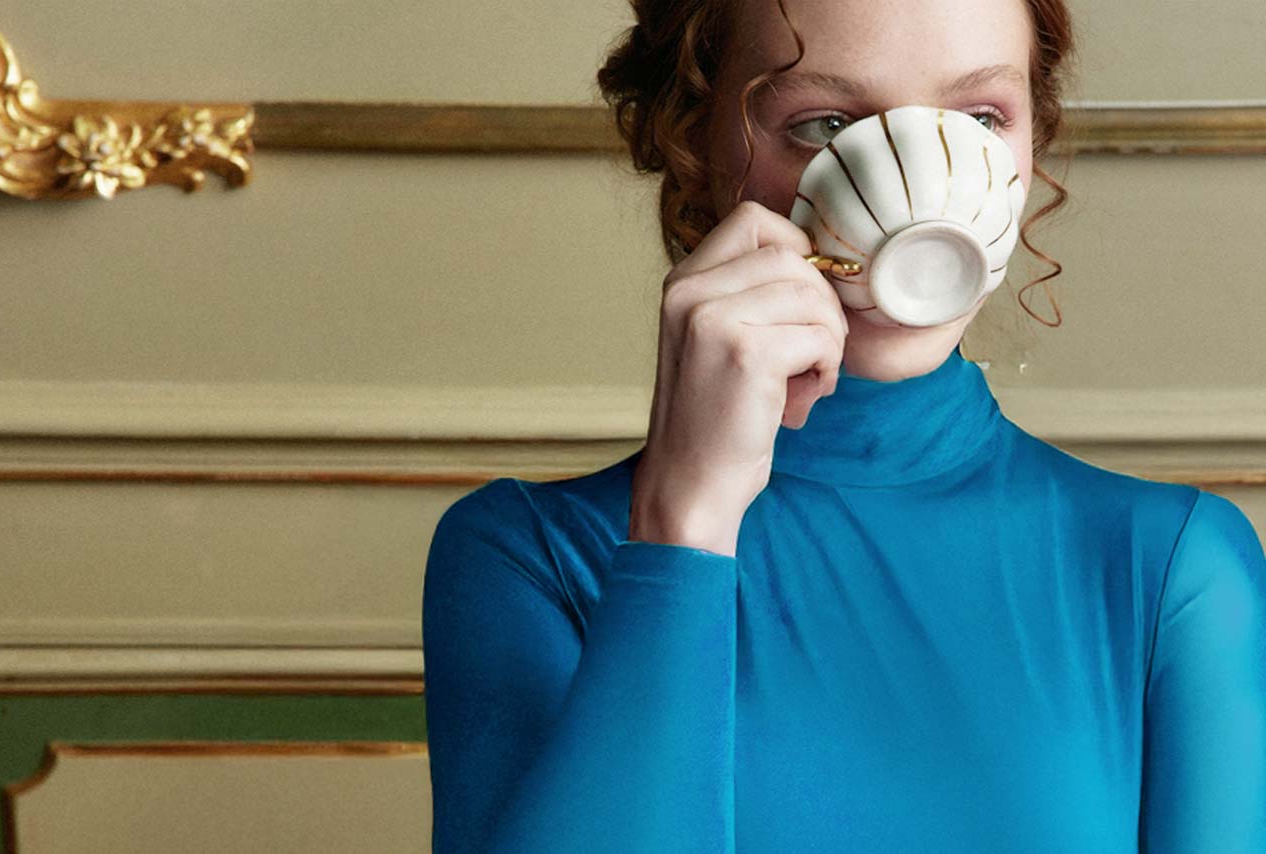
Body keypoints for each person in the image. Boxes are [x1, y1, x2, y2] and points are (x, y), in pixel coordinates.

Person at [422, 0, 1266, 850]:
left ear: (1027, 145)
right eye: (825, 123)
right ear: (696, 143)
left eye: (977, 119)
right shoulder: (526, 557)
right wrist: (685, 528)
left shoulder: (1172, 571)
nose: (919, 188)